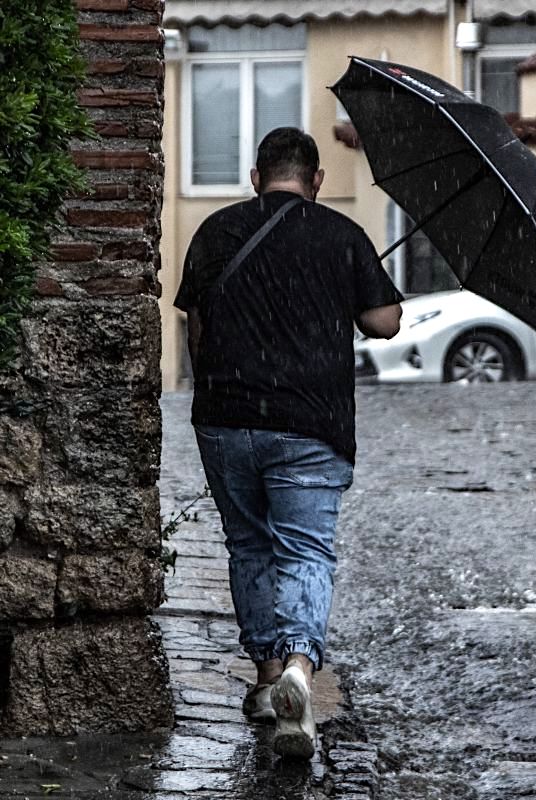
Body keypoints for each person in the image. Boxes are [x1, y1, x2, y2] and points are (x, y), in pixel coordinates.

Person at [174, 127, 402, 760]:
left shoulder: (217, 232)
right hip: (311, 423)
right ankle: (301, 669)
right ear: (316, 181)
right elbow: (385, 321)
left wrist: (211, 396)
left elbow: (196, 326)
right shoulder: (342, 236)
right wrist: (361, 288)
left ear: (256, 176)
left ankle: (268, 677)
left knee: (249, 544)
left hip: (226, 419)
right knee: (304, 548)